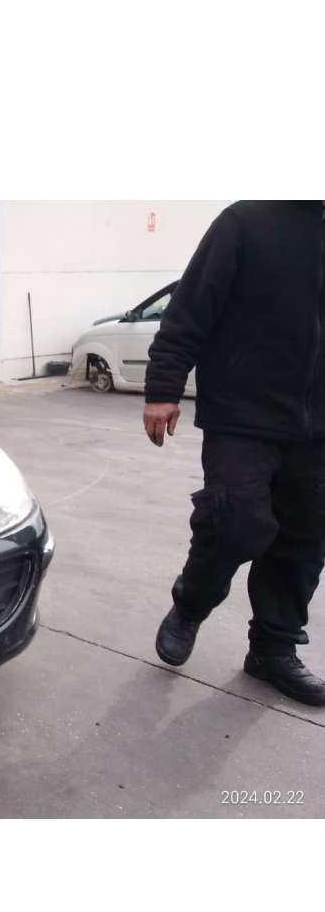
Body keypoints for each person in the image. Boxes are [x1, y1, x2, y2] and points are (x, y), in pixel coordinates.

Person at [144, 200, 325, 705]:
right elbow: (190, 307)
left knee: (304, 540)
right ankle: (191, 604)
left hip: (318, 426)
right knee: (235, 520)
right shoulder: (246, 221)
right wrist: (163, 387)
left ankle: (272, 650)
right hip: (242, 413)